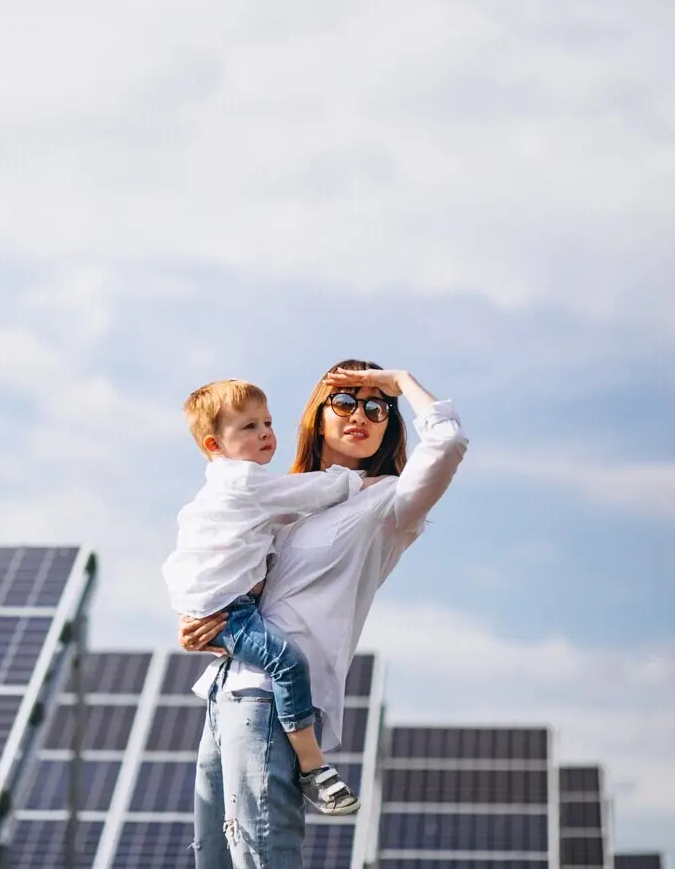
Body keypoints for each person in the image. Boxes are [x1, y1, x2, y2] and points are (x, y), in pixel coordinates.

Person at [182, 360, 468, 869]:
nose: (362, 413)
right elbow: (227, 572)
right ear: (318, 414)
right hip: (223, 693)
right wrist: (204, 626)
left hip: (274, 704)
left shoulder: (387, 502)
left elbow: (446, 446)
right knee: (213, 859)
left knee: (264, 857)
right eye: (345, 401)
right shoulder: (276, 497)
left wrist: (400, 381)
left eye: (378, 407)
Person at [161, 378, 366, 815]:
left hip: (223, 607)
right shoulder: (243, 483)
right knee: (288, 663)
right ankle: (313, 767)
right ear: (215, 444)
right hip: (231, 612)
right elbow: (305, 494)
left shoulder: (233, 489)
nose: (265, 433)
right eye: (249, 427)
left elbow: (285, 511)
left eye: (267, 422)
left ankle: (310, 762)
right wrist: (351, 483)